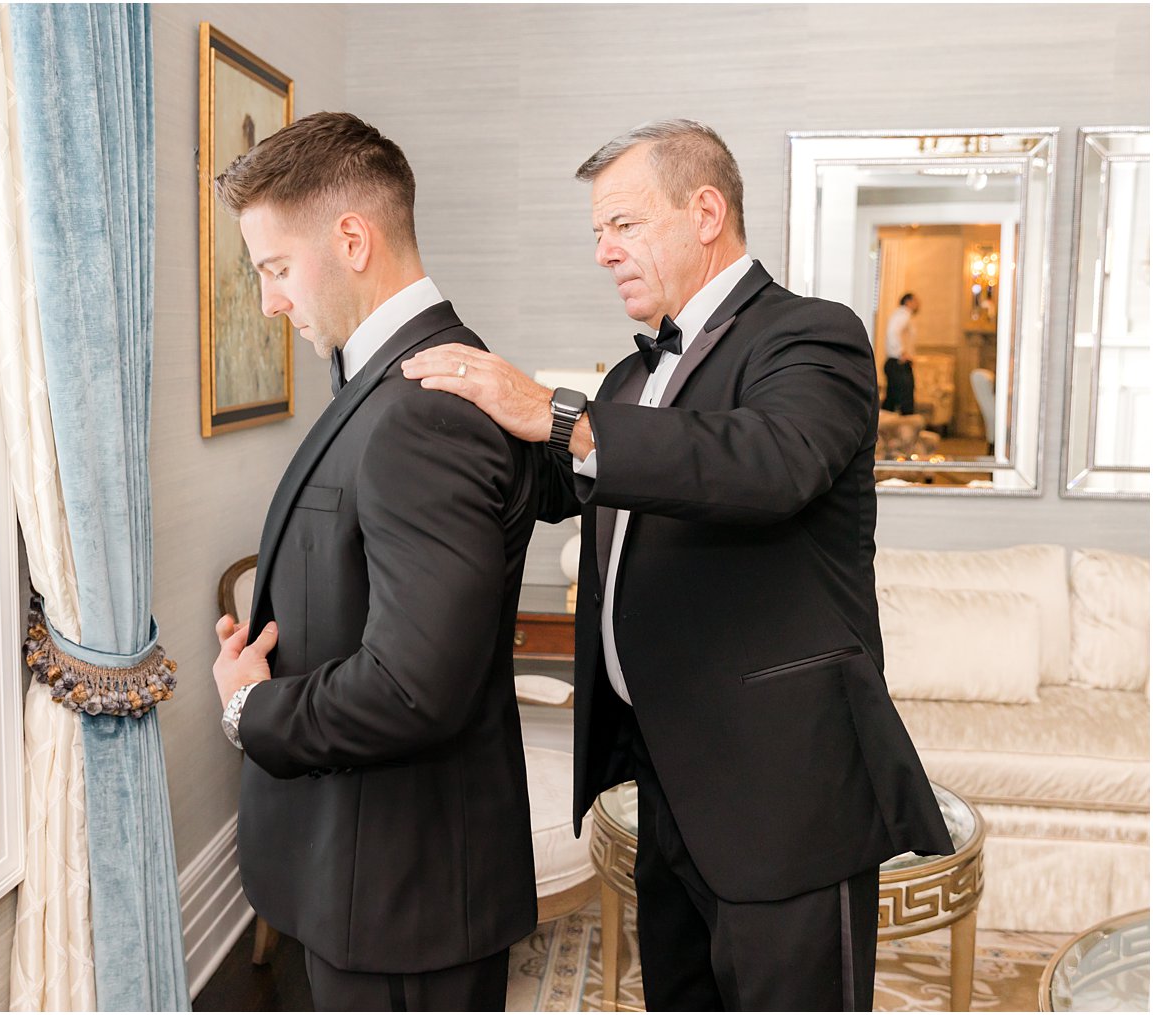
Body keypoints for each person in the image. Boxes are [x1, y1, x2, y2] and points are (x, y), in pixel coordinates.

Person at [402, 119, 950, 1012]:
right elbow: (549, 480)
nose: (603, 251)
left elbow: (765, 464)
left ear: (705, 212)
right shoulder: (627, 381)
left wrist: (554, 409)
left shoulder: (814, 337)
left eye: (622, 224)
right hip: (667, 782)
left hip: (786, 797)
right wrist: (436, 423)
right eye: (595, 234)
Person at [209, 111, 538, 1012]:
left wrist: (252, 707)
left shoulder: (423, 408)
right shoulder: (395, 376)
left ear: (351, 238)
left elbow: (411, 687)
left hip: (399, 894)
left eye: (276, 268)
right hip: (373, 880)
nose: (271, 301)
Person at [882, 292, 920, 415]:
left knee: (891, 399)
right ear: (908, 301)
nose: (918, 304)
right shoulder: (904, 314)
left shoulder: (900, 314)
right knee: (905, 401)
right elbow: (892, 332)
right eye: (915, 301)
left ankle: (882, 430)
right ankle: (908, 432)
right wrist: (901, 353)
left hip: (894, 362)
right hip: (898, 363)